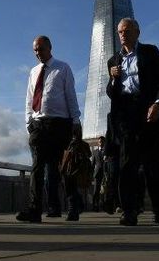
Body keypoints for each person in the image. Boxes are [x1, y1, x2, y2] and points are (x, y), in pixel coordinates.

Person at [107, 18, 159, 226]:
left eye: (126, 30)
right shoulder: (113, 60)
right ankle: (129, 211)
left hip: (148, 112)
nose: (122, 34)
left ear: (137, 32)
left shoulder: (150, 52)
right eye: (119, 32)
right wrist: (113, 78)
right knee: (127, 165)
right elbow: (111, 93)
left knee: (152, 164)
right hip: (126, 115)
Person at [16, 36, 81, 223]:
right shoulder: (33, 71)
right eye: (35, 50)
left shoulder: (63, 68)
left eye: (41, 49)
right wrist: (28, 121)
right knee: (37, 166)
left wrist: (76, 120)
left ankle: (72, 206)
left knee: (64, 167)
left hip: (61, 124)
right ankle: (34, 209)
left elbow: (70, 95)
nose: (38, 53)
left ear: (50, 48)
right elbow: (29, 98)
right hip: (39, 124)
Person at [92, 136, 105, 212]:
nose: (101, 143)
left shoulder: (107, 151)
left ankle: (105, 206)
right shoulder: (95, 151)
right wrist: (91, 174)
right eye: (100, 141)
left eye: (102, 141)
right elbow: (93, 163)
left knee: (105, 190)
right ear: (98, 143)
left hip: (105, 173)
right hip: (97, 173)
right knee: (96, 190)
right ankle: (95, 206)